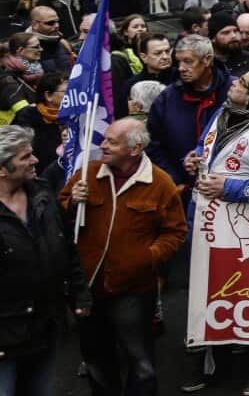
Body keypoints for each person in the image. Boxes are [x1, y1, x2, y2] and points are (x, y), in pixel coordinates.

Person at [181, 70, 249, 395]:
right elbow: (206, 150)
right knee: (206, 291)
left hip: (243, 228)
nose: (233, 83)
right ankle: (215, 361)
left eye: (242, 84)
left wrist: (227, 186)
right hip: (204, 222)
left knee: (246, 296)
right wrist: (193, 160)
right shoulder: (223, 114)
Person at [62, 119, 187, 396]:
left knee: (139, 362)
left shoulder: (160, 183)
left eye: (111, 142)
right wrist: (71, 201)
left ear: (135, 148)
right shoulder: (87, 174)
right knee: (96, 359)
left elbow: (175, 232)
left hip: (133, 289)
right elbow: (58, 222)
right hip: (88, 289)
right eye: (105, 139)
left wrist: (147, 258)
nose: (102, 145)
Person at [0, 125, 91, 396]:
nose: (35, 160)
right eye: (25, 157)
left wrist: (80, 295)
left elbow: (66, 247)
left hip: (44, 325)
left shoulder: (41, 192)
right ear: (2, 169)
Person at [147, 34, 230, 194]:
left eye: (188, 61)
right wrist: (174, 180)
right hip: (183, 191)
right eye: (178, 62)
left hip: (227, 190)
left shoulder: (235, 91)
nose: (181, 68)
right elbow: (153, 145)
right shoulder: (167, 98)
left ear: (207, 59)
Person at [1, 33, 42, 125]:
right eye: (36, 47)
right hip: (16, 132)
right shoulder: (8, 79)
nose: (41, 49)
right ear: (21, 51)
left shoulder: (37, 71)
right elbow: (25, 113)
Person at [207, 11, 249, 76]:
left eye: (235, 31)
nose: (233, 36)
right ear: (212, 38)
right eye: (226, 33)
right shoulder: (206, 63)